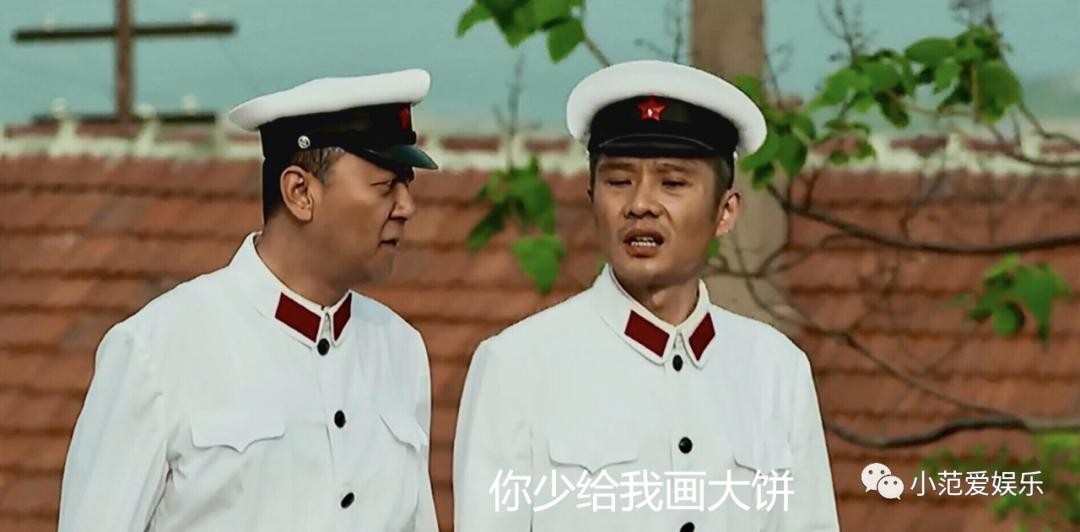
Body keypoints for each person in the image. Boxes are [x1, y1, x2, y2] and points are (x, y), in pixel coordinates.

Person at [453, 60, 840, 531]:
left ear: (725, 212)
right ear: (592, 197)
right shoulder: (517, 366)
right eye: (619, 181)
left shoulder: (776, 371)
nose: (640, 204)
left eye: (672, 183)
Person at [59, 69, 440, 532]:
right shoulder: (157, 349)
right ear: (300, 192)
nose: (406, 206)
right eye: (385, 186)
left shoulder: (401, 350)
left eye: (407, 185)